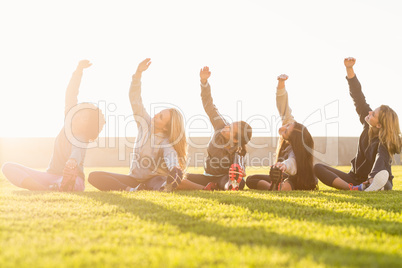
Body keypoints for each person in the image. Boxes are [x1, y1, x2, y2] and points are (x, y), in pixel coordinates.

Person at [2, 60, 105, 191]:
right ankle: (46, 188)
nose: (79, 116)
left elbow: (77, 150)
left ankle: (60, 186)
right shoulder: (68, 120)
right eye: (79, 112)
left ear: (88, 126)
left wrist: (73, 161)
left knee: (69, 182)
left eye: (85, 118)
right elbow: (71, 94)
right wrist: (78, 71)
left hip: (72, 177)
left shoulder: (81, 137)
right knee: (8, 167)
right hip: (49, 176)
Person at [88, 58, 187, 192]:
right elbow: (135, 99)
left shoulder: (165, 142)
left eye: (161, 117)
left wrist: (175, 169)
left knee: (160, 181)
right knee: (94, 176)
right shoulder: (144, 123)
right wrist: (138, 74)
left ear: (165, 127)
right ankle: (132, 189)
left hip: (155, 179)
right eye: (158, 113)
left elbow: (171, 156)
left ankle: (161, 187)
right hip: (134, 180)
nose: (156, 115)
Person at [314, 57, 402, 191]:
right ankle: (355, 188)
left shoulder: (384, 142)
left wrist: (372, 177)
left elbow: (380, 158)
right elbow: (357, 96)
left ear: (379, 125)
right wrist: (349, 69)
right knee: (318, 168)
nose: (370, 112)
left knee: (382, 175)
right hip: (354, 179)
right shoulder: (368, 125)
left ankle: (376, 184)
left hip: (376, 177)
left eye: (374, 114)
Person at [177, 66, 252, 191]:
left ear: (235, 140)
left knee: (231, 181)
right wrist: (204, 82)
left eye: (229, 130)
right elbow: (209, 105)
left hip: (224, 177)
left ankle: (231, 186)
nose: (225, 128)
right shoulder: (220, 125)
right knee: (181, 178)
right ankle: (206, 188)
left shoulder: (237, 151)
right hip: (208, 177)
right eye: (229, 125)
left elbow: (238, 164)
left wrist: (239, 172)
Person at [246, 74, 317, 191]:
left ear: (291, 139)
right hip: (283, 175)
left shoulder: (296, 149)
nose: (282, 128)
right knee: (250, 179)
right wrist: (281, 85)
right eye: (287, 125)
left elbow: (292, 162)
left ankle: (282, 187)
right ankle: (273, 186)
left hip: (299, 179)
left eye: (285, 132)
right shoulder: (292, 126)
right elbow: (284, 108)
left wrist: (284, 165)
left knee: (289, 180)